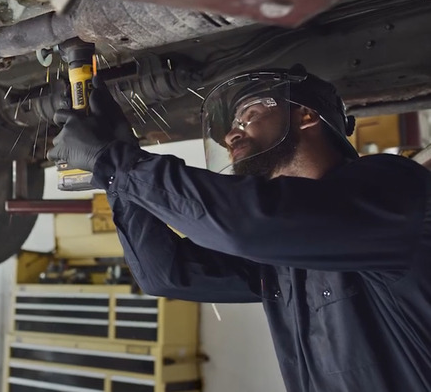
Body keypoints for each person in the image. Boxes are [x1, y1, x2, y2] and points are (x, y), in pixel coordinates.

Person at [48, 64, 431, 392]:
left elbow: (245, 226)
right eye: (230, 125)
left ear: (307, 115)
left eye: (247, 114)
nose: (230, 135)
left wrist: (116, 162)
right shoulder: (281, 255)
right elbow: (168, 274)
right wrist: (118, 167)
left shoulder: (393, 189)